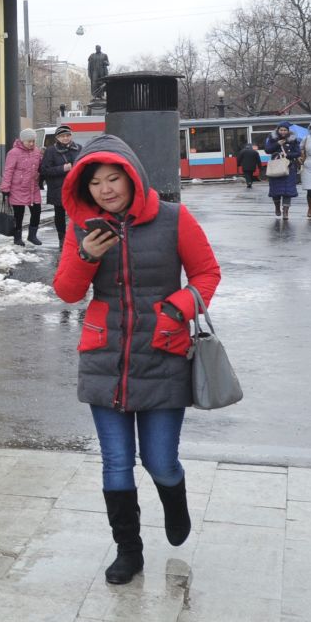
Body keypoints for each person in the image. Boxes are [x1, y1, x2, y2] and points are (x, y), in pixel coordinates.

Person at [52, 135, 222, 585]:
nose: (105, 190)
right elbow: (67, 292)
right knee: (116, 462)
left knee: (160, 460)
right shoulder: (80, 228)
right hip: (104, 356)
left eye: (113, 179)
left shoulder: (172, 218)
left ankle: (174, 498)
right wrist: (88, 256)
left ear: (131, 176)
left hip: (163, 352)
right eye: (95, 183)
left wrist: (179, 307)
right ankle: (129, 550)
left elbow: (207, 272)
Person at [38, 126, 82, 243]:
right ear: (57, 138)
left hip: (75, 187)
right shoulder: (51, 151)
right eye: (62, 136)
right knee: (60, 214)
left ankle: (77, 238)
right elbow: (44, 170)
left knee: (77, 213)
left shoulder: (78, 148)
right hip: (59, 188)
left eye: (68, 135)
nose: (66, 138)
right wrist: (62, 168)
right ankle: (62, 239)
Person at [0, 133, 44, 246]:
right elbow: (8, 170)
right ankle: (17, 237)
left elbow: (40, 167)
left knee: (37, 211)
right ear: (22, 140)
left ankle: (32, 236)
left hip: (33, 187)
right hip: (17, 188)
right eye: (29, 141)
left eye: (33, 141)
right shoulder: (13, 153)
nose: (31, 143)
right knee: (18, 215)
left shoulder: (37, 151)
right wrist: (5, 188)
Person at [262, 123, 303, 219]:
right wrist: (277, 144)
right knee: (275, 190)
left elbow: (297, 153)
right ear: (278, 130)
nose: (283, 132)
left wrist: (287, 155)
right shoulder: (272, 139)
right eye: (281, 130)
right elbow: (267, 150)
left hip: (289, 167)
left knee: (287, 190)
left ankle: (285, 211)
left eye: (285, 130)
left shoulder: (293, 140)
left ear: (288, 131)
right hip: (276, 167)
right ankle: (277, 207)